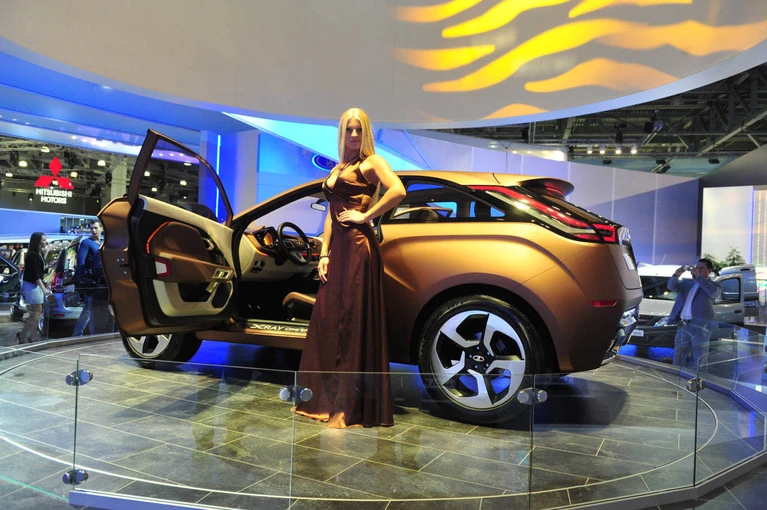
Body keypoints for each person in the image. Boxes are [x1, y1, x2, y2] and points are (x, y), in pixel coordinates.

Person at [294, 107, 406, 428]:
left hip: (358, 247)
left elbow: (398, 190)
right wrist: (324, 253)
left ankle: (346, 407)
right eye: (349, 129)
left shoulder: (372, 162)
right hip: (338, 251)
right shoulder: (340, 167)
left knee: (351, 321)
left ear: (366, 132)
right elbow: (332, 214)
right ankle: (323, 400)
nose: (354, 135)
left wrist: (365, 216)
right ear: (342, 133)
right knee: (328, 319)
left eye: (359, 129)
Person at [667, 258, 722, 371]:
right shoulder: (687, 283)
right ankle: (676, 378)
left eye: (701, 268)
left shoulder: (714, 285)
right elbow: (671, 286)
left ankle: (698, 380)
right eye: (697, 268)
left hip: (701, 327)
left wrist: (699, 277)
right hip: (683, 325)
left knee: (699, 358)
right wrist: (676, 275)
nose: (698, 270)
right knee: (678, 357)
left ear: (709, 271)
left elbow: (713, 293)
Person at [72, 220, 108, 336]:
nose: (93, 230)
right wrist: (82, 280)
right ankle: (91, 336)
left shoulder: (101, 243)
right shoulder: (86, 243)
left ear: (101, 228)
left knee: (88, 310)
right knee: (92, 310)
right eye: (91, 228)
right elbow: (81, 262)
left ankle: (77, 335)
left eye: (96, 228)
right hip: (91, 282)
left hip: (98, 281)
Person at [18, 232, 52, 344]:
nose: (45, 242)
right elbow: (35, 274)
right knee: (37, 311)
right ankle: (23, 334)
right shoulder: (33, 255)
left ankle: (33, 337)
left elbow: (40, 271)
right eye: (43, 240)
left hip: (35, 285)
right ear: (37, 241)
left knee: (36, 312)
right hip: (32, 285)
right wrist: (43, 288)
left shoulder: (38, 253)